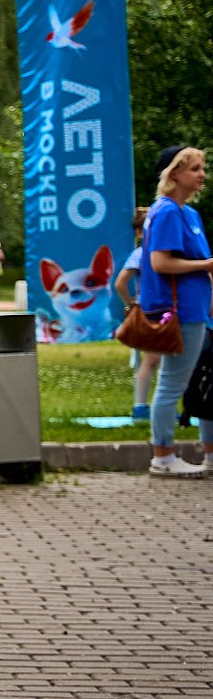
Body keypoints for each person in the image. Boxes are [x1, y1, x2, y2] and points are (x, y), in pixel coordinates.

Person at [140, 146, 213, 478]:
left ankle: (172, 452)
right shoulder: (168, 211)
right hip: (180, 310)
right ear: (175, 173)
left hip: (196, 308)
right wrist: (207, 265)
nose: (202, 174)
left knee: (187, 379)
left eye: (203, 168)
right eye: (195, 168)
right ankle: (163, 455)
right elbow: (160, 262)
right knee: (172, 383)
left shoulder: (189, 214)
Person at [114, 207, 159, 422]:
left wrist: (131, 302)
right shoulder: (141, 254)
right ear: (139, 233)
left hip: (154, 310)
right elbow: (120, 283)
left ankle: (151, 406)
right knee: (152, 359)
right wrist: (132, 303)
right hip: (150, 311)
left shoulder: (144, 253)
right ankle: (141, 406)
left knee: (157, 359)